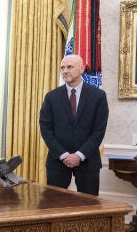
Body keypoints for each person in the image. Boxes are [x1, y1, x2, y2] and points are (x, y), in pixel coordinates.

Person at [38, 54, 109, 195]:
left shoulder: (98, 96)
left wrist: (79, 155)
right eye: (62, 68)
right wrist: (63, 155)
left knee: (89, 205)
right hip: (58, 161)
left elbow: (98, 130)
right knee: (55, 204)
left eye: (69, 67)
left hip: (88, 160)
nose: (65, 71)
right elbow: (46, 129)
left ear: (81, 69)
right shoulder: (51, 97)